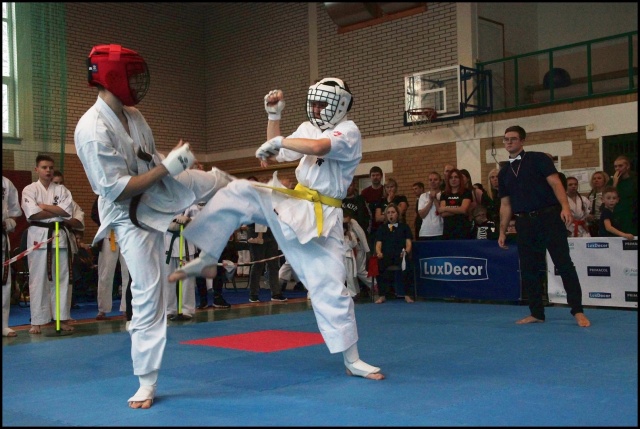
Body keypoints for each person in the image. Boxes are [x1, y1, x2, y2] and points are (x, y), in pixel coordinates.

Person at [169, 78, 385, 381]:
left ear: (340, 105)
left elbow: (318, 147)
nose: (316, 109)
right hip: (294, 206)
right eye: (313, 103)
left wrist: (280, 142)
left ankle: (352, 360)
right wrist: (273, 116)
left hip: (324, 219)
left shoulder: (349, 131)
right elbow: (275, 152)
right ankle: (206, 254)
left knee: (332, 290)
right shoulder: (308, 128)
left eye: (322, 104)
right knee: (241, 191)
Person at [74, 44, 233, 408]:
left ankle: (265, 194)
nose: (136, 84)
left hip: (158, 186)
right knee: (148, 290)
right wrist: (168, 167)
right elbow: (118, 190)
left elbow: (149, 158)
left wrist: (173, 162)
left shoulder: (132, 115)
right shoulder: (92, 130)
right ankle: (146, 381)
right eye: (130, 77)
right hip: (129, 214)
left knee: (213, 181)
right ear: (113, 78)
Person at [497, 125, 590, 327]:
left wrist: (565, 207)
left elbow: (556, 183)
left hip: (549, 218)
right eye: (506, 139)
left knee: (564, 264)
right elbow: (505, 204)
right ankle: (536, 312)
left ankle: (578, 311)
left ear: (522, 141)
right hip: (524, 222)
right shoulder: (503, 172)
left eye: (513, 138)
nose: (509, 142)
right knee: (529, 269)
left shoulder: (538, 158)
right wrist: (502, 231)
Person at [22, 155, 76, 334]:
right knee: (38, 279)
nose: (48, 170)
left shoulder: (62, 190)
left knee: (62, 279)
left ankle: (62, 318)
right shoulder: (29, 189)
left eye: (51, 167)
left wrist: (44, 206)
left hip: (59, 236)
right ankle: (37, 321)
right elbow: (33, 214)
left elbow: (67, 212)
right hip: (38, 237)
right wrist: (56, 212)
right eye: (44, 167)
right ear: (36, 169)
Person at [91, 196, 131, 320]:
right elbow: (94, 214)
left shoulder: (130, 192)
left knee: (127, 274)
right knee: (105, 274)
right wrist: (106, 221)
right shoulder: (103, 195)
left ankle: (127, 308)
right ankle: (102, 309)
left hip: (127, 236)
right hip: (108, 235)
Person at [52, 171, 85, 310]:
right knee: (49, 276)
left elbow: (79, 222)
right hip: (47, 240)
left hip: (66, 240)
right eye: (56, 183)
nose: (59, 186)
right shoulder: (42, 199)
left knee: (66, 276)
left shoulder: (71, 202)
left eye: (61, 183)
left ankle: (66, 307)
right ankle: (48, 310)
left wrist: (61, 217)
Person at [374, 203, 414, 304]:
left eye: (393, 212)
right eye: (388, 213)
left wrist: (406, 252)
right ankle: (382, 295)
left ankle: (407, 295)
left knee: (407, 265)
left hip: (400, 255)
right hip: (386, 255)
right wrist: (379, 253)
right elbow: (378, 244)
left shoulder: (404, 227)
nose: (390, 214)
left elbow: (408, 244)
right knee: (379, 264)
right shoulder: (382, 228)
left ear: (397, 214)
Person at [164, 207, 198, 320]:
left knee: (187, 280)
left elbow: (201, 217)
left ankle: (187, 309)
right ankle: (169, 309)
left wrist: (189, 219)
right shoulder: (164, 201)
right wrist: (168, 223)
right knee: (168, 279)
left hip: (186, 243)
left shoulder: (191, 202)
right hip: (168, 243)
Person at [247, 220, 286, 303]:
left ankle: (276, 293)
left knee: (274, 264)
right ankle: (253, 294)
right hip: (255, 231)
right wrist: (259, 236)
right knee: (258, 264)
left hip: (270, 231)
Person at [2, 176, 23, 337]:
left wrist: (9, 222)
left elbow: (14, 210)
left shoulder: (6, 183)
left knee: (4, 282)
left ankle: (3, 324)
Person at [606, 155, 637, 236]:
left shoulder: (634, 180)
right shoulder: (611, 182)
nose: (617, 168)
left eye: (620, 166)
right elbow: (608, 198)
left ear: (627, 166)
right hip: (617, 215)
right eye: (615, 166)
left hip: (632, 214)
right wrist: (615, 183)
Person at [439, 168, 472, 240]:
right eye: (451, 177)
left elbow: (463, 210)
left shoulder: (466, 192)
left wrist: (446, 208)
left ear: (460, 179)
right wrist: (458, 209)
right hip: (448, 230)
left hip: (463, 229)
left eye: (456, 177)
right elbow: (443, 213)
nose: (453, 179)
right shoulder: (444, 194)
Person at [360, 166, 385, 247]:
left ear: (381, 176)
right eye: (373, 175)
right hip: (370, 228)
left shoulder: (385, 190)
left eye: (377, 175)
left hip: (384, 226)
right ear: (370, 177)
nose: (375, 177)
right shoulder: (365, 192)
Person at [416, 171, 443, 241]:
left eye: (435, 179)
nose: (432, 182)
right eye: (430, 180)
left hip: (439, 231)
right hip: (425, 232)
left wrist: (435, 199)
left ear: (440, 182)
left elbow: (442, 212)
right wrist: (430, 201)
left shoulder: (444, 195)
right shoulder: (423, 196)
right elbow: (422, 215)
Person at [585, 170, 609, 237]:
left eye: (599, 178)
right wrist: (588, 215)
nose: (596, 180)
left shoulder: (608, 193)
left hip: (605, 221)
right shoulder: (591, 194)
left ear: (604, 180)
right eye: (594, 178)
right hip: (593, 224)